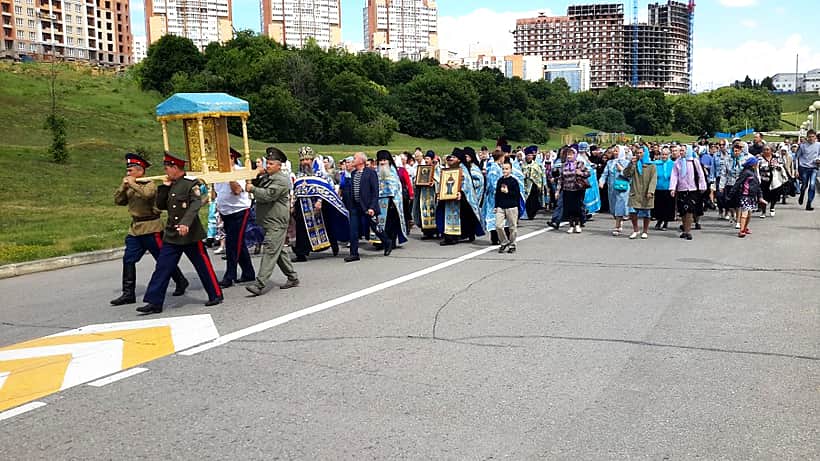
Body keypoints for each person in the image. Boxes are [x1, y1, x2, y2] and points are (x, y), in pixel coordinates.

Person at [137, 153, 223, 314]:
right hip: (172, 233)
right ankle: (154, 302)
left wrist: (186, 223)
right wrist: (164, 187)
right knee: (162, 267)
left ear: (175, 167)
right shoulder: (171, 184)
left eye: (167, 168)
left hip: (190, 233)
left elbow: (195, 204)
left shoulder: (191, 183)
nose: (166, 170)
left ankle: (215, 294)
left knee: (202, 265)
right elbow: (161, 205)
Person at [111, 153, 188, 306]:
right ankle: (128, 293)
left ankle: (180, 281)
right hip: (136, 229)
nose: (128, 174)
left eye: (131, 171)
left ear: (140, 171)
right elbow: (119, 201)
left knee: (163, 259)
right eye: (127, 171)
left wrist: (133, 184)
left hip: (152, 227)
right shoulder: (130, 185)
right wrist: (123, 186)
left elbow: (148, 195)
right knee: (128, 260)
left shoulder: (149, 184)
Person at [245, 147, 299, 295]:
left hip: (277, 221)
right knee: (278, 251)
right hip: (269, 220)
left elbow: (268, 195)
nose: (267, 166)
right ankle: (292, 277)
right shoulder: (268, 177)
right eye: (267, 163)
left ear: (279, 165)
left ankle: (259, 284)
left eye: (270, 164)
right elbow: (258, 184)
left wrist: (252, 189)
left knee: (269, 250)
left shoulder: (281, 180)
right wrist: (256, 174)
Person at [291, 146, 349, 262]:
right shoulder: (299, 175)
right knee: (301, 229)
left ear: (312, 160)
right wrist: (292, 204)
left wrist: (320, 200)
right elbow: (296, 190)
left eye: (307, 159)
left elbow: (328, 189)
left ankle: (333, 245)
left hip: (319, 205)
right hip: (302, 206)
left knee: (327, 225)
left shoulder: (321, 175)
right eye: (302, 160)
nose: (305, 162)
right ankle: (301, 253)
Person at [214, 158, 255, 288]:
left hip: (239, 211)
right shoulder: (217, 172)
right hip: (225, 212)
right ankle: (248, 272)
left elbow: (237, 190)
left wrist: (230, 175)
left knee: (232, 243)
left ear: (232, 158)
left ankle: (230, 275)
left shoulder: (240, 171)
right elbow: (217, 192)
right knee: (238, 242)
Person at [341, 152, 388, 262]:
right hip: (355, 207)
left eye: (355, 158)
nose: (353, 160)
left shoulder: (370, 173)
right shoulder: (353, 173)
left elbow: (375, 192)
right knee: (353, 230)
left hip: (366, 206)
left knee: (375, 227)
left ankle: (387, 242)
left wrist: (372, 207)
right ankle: (354, 253)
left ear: (361, 161)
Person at [436, 149, 485, 245]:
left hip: (460, 198)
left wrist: (461, 193)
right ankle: (452, 235)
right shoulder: (450, 168)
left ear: (459, 159)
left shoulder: (462, 169)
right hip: (449, 197)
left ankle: (454, 237)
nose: (451, 159)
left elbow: (467, 185)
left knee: (464, 216)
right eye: (451, 157)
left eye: (454, 157)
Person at [670, 146, 707, 241]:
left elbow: (700, 174)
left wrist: (702, 186)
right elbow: (674, 175)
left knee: (689, 210)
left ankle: (687, 231)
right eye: (680, 151)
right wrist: (672, 188)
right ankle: (684, 228)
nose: (681, 152)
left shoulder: (694, 161)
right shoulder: (677, 162)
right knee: (682, 211)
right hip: (681, 189)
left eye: (683, 150)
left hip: (692, 189)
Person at [375, 150, 408, 255]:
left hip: (392, 201)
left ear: (389, 160)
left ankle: (391, 241)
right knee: (380, 222)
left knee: (391, 222)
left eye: (384, 160)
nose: (382, 162)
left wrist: (394, 199)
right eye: (380, 160)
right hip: (380, 201)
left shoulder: (393, 171)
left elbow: (396, 187)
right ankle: (380, 241)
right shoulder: (376, 171)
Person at [623, 147, 657, 239]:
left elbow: (653, 180)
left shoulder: (652, 166)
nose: (639, 154)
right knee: (633, 212)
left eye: (641, 153)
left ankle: (645, 231)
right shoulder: (634, 164)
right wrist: (631, 164)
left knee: (646, 212)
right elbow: (626, 174)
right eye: (637, 153)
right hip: (635, 191)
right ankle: (635, 229)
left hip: (646, 192)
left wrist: (651, 191)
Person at [600, 146, 631, 236]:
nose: (615, 152)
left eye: (617, 151)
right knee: (613, 207)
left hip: (622, 188)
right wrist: (601, 181)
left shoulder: (627, 162)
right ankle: (619, 219)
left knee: (619, 205)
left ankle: (617, 226)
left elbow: (629, 175)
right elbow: (605, 173)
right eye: (614, 151)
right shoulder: (610, 162)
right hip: (611, 188)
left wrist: (621, 170)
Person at [559, 147, 590, 234]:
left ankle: (577, 224)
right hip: (567, 189)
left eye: (571, 154)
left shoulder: (580, 164)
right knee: (569, 208)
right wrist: (557, 191)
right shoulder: (563, 165)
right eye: (568, 154)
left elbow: (588, 173)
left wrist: (581, 173)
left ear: (575, 155)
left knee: (577, 207)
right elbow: (560, 179)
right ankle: (571, 225)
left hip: (577, 189)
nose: (569, 156)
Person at [731, 157, 763, 238]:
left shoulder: (754, 173)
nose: (757, 165)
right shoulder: (745, 173)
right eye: (756, 164)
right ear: (752, 165)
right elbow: (738, 183)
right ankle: (741, 230)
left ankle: (745, 228)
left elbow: (758, 186)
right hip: (745, 195)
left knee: (749, 214)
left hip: (752, 197)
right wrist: (731, 193)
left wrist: (760, 196)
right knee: (744, 213)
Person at [494, 162, 523, 253]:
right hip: (501, 206)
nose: (504, 171)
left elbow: (517, 195)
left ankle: (512, 244)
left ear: (510, 170)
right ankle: (504, 241)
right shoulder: (500, 180)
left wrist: (508, 192)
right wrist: (496, 206)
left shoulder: (513, 181)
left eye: (506, 169)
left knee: (512, 227)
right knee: (498, 226)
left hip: (512, 206)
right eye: (503, 169)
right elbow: (497, 194)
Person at [412, 150, 441, 240]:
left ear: (432, 159)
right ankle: (426, 232)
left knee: (433, 212)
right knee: (423, 212)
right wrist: (416, 182)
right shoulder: (421, 169)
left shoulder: (436, 169)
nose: (426, 160)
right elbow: (416, 180)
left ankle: (436, 231)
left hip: (432, 195)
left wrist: (434, 183)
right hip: (423, 195)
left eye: (428, 158)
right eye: (425, 158)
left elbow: (440, 181)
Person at [757, 144, 786, 218]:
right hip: (763, 180)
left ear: (771, 150)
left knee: (774, 195)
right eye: (764, 149)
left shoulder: (776, 157)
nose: (765, 151)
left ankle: (772, 207)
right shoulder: (760, 158)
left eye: (767, 149)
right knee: (763, 196)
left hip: (774, 180)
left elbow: (782, 166)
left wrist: (777, 166)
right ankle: (763, 212)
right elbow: (757, 168)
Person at [795, 129, 819, 210]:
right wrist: (796, 169)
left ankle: (809, 203)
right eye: (809, 137)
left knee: (812, 185)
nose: (811, 138)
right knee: (804, 185)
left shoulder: (818, 145)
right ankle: (802, 195)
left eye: (813, 137)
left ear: (815, 137)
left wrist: (818, 159)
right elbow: (796, 157)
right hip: (804, 168)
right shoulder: (802, 145)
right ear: (807, 137)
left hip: (814, 167)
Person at [652, 147, 675, 231]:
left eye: (666, 154)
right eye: (663, 154)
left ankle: (665, 222)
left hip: (668, 187)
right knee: (658, 206)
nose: (664, 156)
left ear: (669, 155)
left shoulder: (673, 164)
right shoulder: (656, 163)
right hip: (658, 187)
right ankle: (659, 220)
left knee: (667, 206)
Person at [522, 145, 546, 220]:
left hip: (535, 185)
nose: (529, 157)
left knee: (534, 199)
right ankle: (529, 214)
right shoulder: (522, 165)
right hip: (526, 185)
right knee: (528, 200)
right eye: (528, 155)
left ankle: (533, 213)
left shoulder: (536, 165)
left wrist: (542, 184)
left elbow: (540, 174)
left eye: (530, 155)